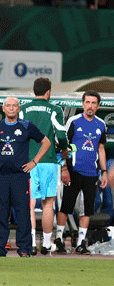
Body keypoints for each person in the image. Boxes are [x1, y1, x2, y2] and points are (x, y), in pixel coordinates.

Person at [0, 96, 51, 257]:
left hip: (20, 176)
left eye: (14, 106)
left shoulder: (27, 126)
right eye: (8, 106)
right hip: (1, 176)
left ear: (19, 109)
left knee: (23, 212)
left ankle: (24, 248)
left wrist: (34, 162)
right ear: (3, 109)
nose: (11, 108)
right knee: (1, 213)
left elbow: (46, 142)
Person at [19, 77, 69, 256]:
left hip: (28, 162)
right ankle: (46, 245)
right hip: (48, 161)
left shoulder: (23, 109)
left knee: (30, 204)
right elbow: (61, 134)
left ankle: (31, 243)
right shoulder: (55, 109)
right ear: (48, 92)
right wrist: (64, 150)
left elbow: (19, 134)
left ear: (34, 91)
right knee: (48, 205)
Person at [55, 90, 108, 255]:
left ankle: (81, 243)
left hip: (91, 173)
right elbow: (64, 144)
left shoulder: (101, 124)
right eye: (87, 102)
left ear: (98, 106)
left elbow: (101, 147)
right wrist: (64, 167)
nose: (90, 106)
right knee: (66, 206)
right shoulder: (74, 120)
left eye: (93, 103)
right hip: (72, 171)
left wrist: (104, 171)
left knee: (87, 209)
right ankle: (59, 240)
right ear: (82, 104)